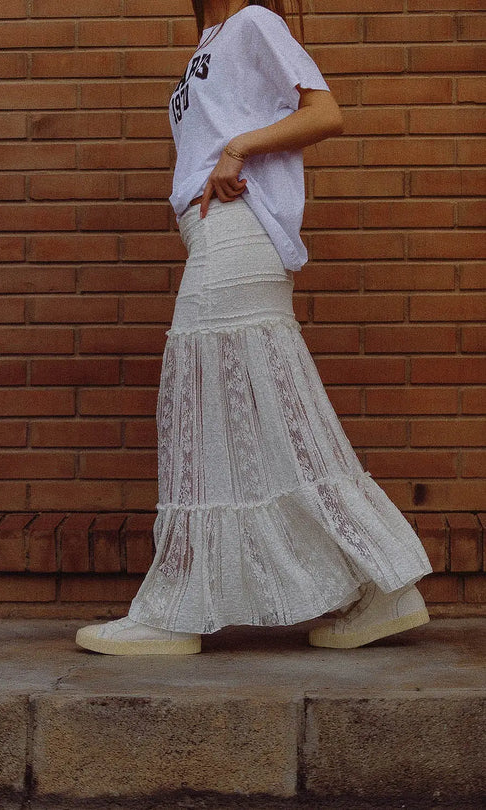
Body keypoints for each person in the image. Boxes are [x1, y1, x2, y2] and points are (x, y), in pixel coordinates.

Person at [76, 0, 433, 656]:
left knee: (198, 407)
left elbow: (325, 111)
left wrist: (237, 148)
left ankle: (174, 613)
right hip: (216, 235)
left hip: (236, 233)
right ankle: (383, 586)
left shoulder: (254, 22)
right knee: (264, 415)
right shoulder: (209, 39)